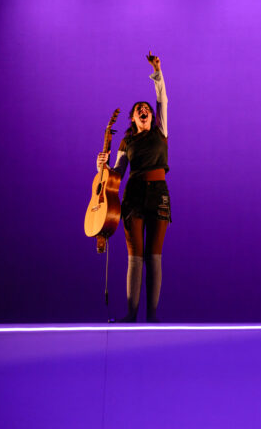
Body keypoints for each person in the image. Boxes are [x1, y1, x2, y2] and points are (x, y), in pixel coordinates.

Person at [97, 52, 170, 322]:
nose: (146, 110)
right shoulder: (126, 142)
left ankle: (152, 318)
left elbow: (162, 100)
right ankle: (130, 316)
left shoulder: (160, 131)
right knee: (135, 256)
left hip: (159, 195)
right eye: (140, 109)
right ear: (133, 118)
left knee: (154, 256)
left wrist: (157, 73)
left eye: (148, 109)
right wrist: (101, 165)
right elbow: (116, 174)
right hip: (133, 198)